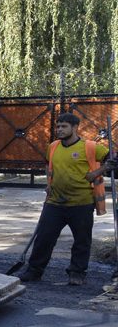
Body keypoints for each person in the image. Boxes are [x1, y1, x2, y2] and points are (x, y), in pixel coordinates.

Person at [18, 112, 113, 286]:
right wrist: (49, 183)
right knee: (44, 238)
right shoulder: (53, 147)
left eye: (64, 126)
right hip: (54, 202)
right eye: (58, 126)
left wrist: (97, 172)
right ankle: (34, 271)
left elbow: (113, 160)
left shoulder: (91, 147)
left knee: (82, 241)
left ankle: (77, 273)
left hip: (81, 203)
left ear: (75, 128)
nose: (59, 130)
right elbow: (48, 164)